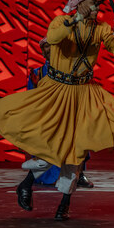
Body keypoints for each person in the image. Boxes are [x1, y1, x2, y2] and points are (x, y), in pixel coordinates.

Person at [0, 0, 114, 220]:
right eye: (94, 4)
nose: (97, 8)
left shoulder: (101, 28)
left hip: (84, 93)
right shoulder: (61, 21)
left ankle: (64, 203)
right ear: (82, 4)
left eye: (99, 4)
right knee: (50, 144)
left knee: (76, 149)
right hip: (56, 90)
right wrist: (75, 19)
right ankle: (26, 184)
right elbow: (54, 38)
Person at [25, 37, 93, 188]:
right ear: (43, 53)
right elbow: (31, 100)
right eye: (45, 49)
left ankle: (79, 174)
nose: (48, 51)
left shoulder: (71, 70)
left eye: (51, 47)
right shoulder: (38, 73)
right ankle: (45, 173)